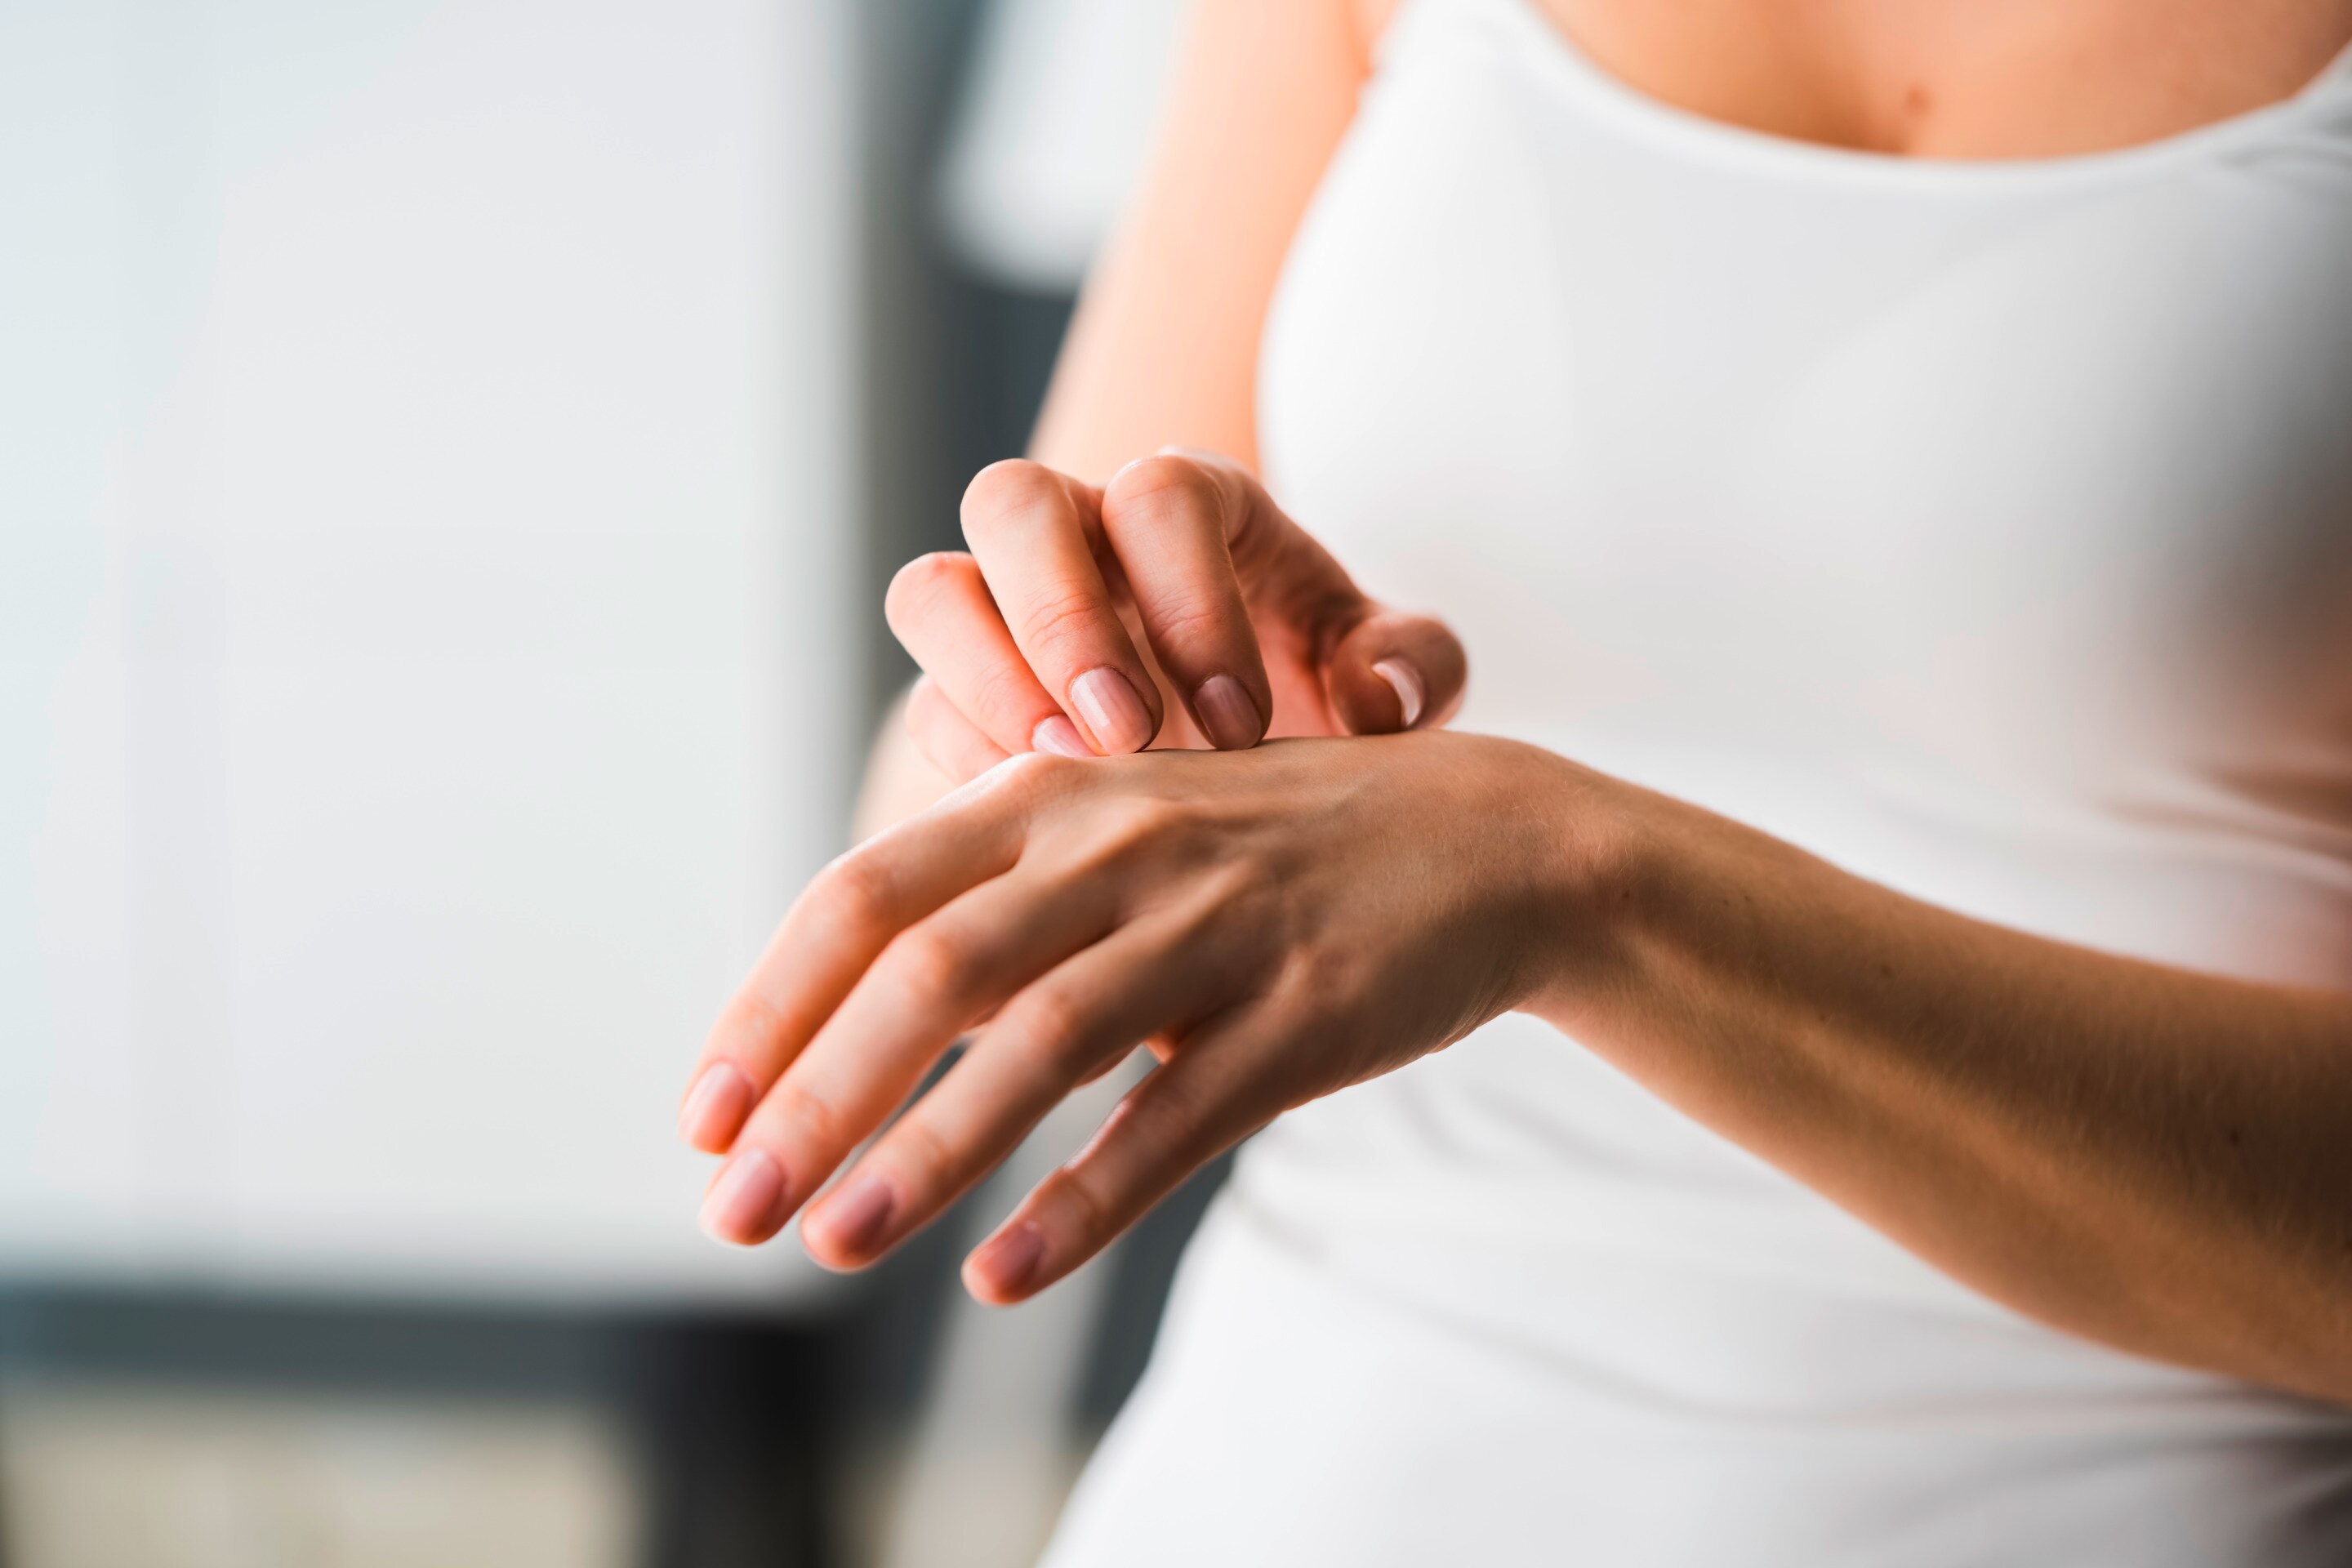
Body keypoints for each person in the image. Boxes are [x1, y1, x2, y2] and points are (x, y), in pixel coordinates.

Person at [678, 0, 2352, 1560]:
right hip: (1293, 1472)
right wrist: (1068, 723)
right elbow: (945, 807)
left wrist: (1571, 881)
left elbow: (1527, 864)